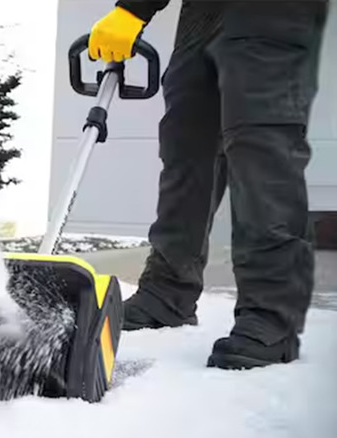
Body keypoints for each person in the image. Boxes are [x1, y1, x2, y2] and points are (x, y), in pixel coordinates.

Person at [87, 0, 328, 369]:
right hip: (203, 9)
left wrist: (134, 9)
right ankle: (168, 291)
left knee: (260, 140)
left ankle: (271, 313)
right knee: (186, 137)